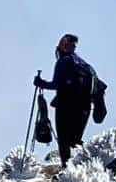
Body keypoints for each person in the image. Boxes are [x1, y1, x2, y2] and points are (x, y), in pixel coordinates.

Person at [34, 34, 99, 166]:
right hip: (85, 107)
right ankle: (87, 164)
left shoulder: (63, 61)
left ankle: (67, 168)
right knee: (75, 140)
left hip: (66, 105)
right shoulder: (85, 65)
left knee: (64, 140)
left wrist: (40, 83)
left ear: (63, 46)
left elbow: (56, 84)